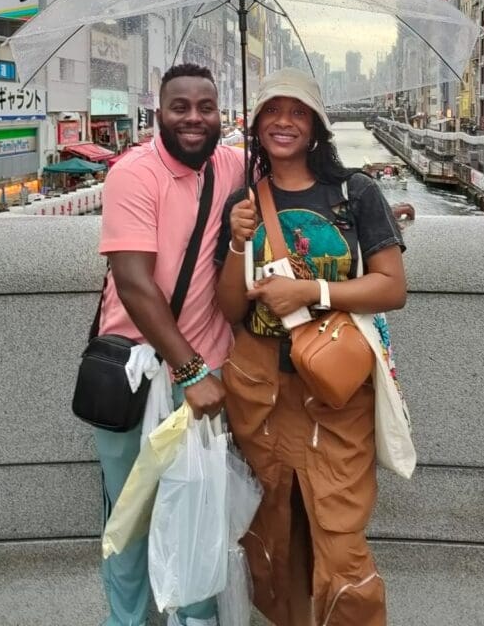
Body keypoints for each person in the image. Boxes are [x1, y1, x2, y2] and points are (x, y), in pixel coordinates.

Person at [215, 68, 407, 626]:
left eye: (297, 111)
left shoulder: (355, 193)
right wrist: (235, 241)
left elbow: (391, 286)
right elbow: (231, 310)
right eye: (272, 110)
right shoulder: (247, 201)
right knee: (275, 531)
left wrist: (312, 290)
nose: (283, 121)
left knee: (340, 535)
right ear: (255, 126)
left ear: (317, 126)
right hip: (261, 391)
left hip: (335, 392)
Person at [96, 63, 244, 626]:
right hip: (138, 373)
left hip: (206, 374)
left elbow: (301, 175)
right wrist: (190, 371)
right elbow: (133, 282)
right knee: (130, 516)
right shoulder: (134, 173)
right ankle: (127, 621)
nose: (193, 118)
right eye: (180, 107)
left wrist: (368, 212)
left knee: (200, 513)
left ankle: (196, 619)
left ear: (220, 115)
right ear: (159, 112)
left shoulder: (232, 165)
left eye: (205, 107)